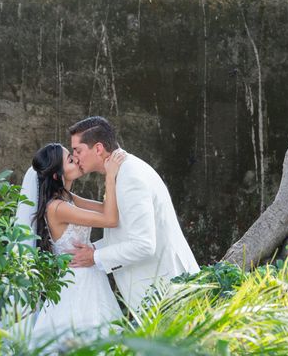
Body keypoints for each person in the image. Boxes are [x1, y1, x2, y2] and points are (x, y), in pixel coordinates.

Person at [68, 116, 199, 310]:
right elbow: (127, 230)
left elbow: (144, 244)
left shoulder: (130, 177)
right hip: (158, 290)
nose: (75, 157)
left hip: (167, 291)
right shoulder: (124, 170)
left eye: (77, 150)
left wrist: (95, 257)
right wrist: (93, 250)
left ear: (98, 148)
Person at [27, 142, 125, 342]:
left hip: (90, 275)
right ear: (57, 174)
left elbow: (106, 208)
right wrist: (109, 177)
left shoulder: (68, 198)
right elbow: (110, 219)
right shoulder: (57, 207)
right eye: (71, 160)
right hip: (75, 282)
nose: (77, 160)